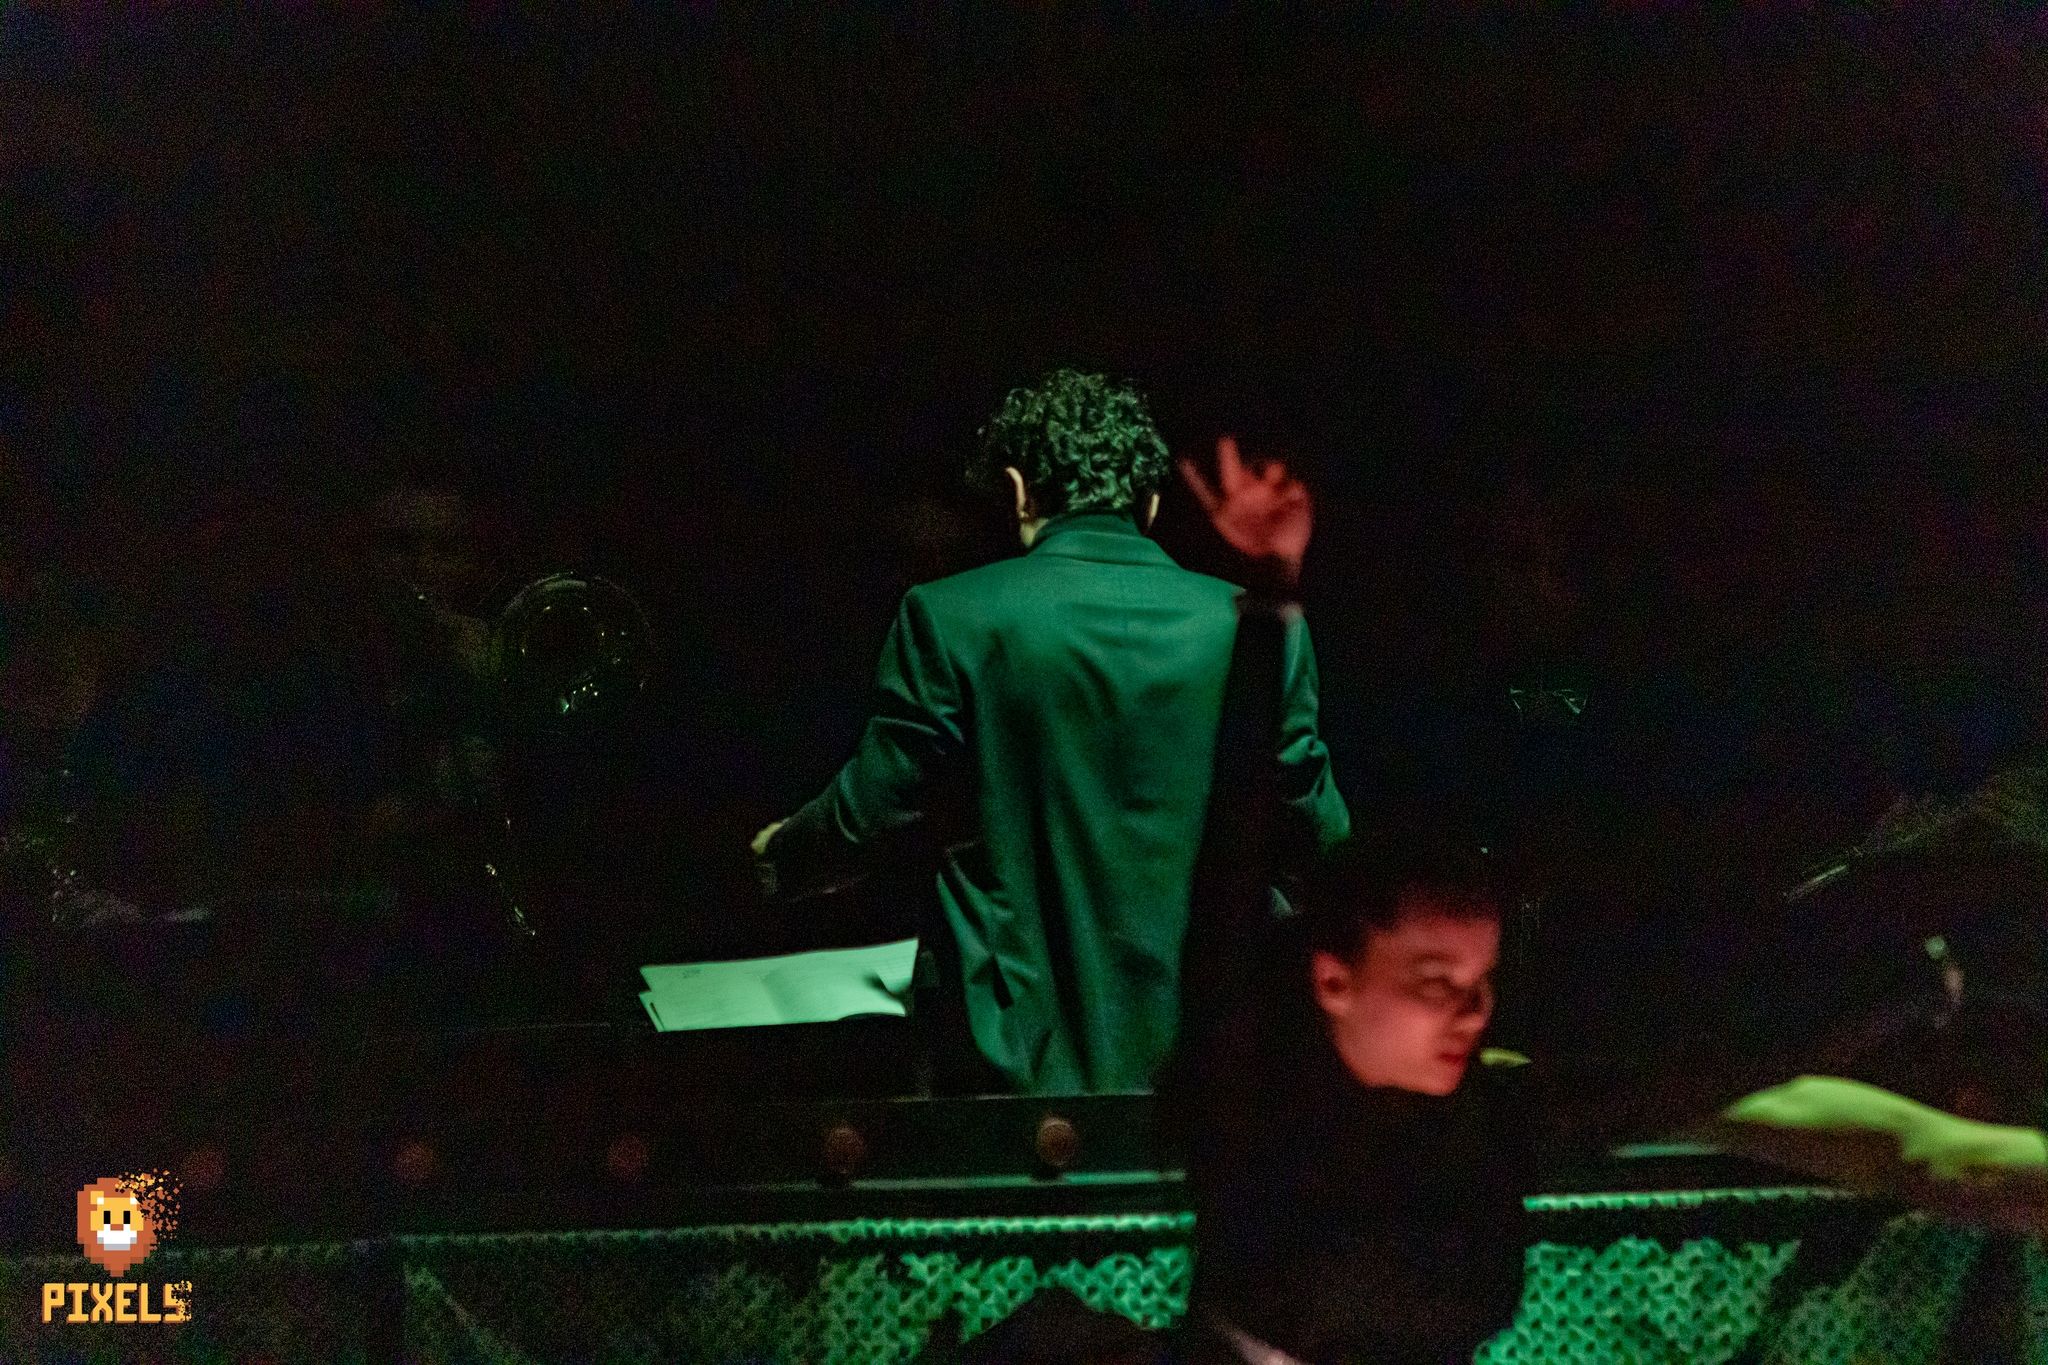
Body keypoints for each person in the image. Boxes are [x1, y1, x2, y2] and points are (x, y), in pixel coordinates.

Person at [1177, 456, 2048, 1365]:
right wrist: (1270, 597)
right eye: (1436, 982)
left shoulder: (1493, 1115)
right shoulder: (1246, 1083)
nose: (1471, 1011)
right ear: (1334, 979)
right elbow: (1234, 834)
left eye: (1481, 981)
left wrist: (1917, 981)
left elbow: (1712, 1067)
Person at [751, 370, 1350, 1095]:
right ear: (1150, 504)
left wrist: (780, 855)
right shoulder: (1259, 627)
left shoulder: (951, 616)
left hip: (1019, 1063)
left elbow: (875, 811)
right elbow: (1317, 832)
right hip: (1219, 1051)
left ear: (1016, 491)